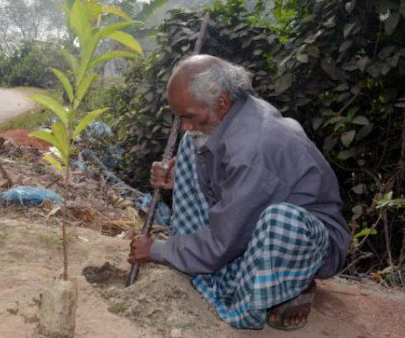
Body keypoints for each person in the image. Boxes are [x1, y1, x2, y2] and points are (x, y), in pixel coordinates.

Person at [128, 55, 350, 330]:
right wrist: (178, 177)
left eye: (188, 116)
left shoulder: (255, 145)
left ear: (221, 102)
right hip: (252, 220)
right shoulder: (234, 113)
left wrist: (158, 250)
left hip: (309, 241)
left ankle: (276, 291)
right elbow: (227, 183)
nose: (183, 124)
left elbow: (224, 239)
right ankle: (214, 269)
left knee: (281, 222)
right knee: (190, 145)